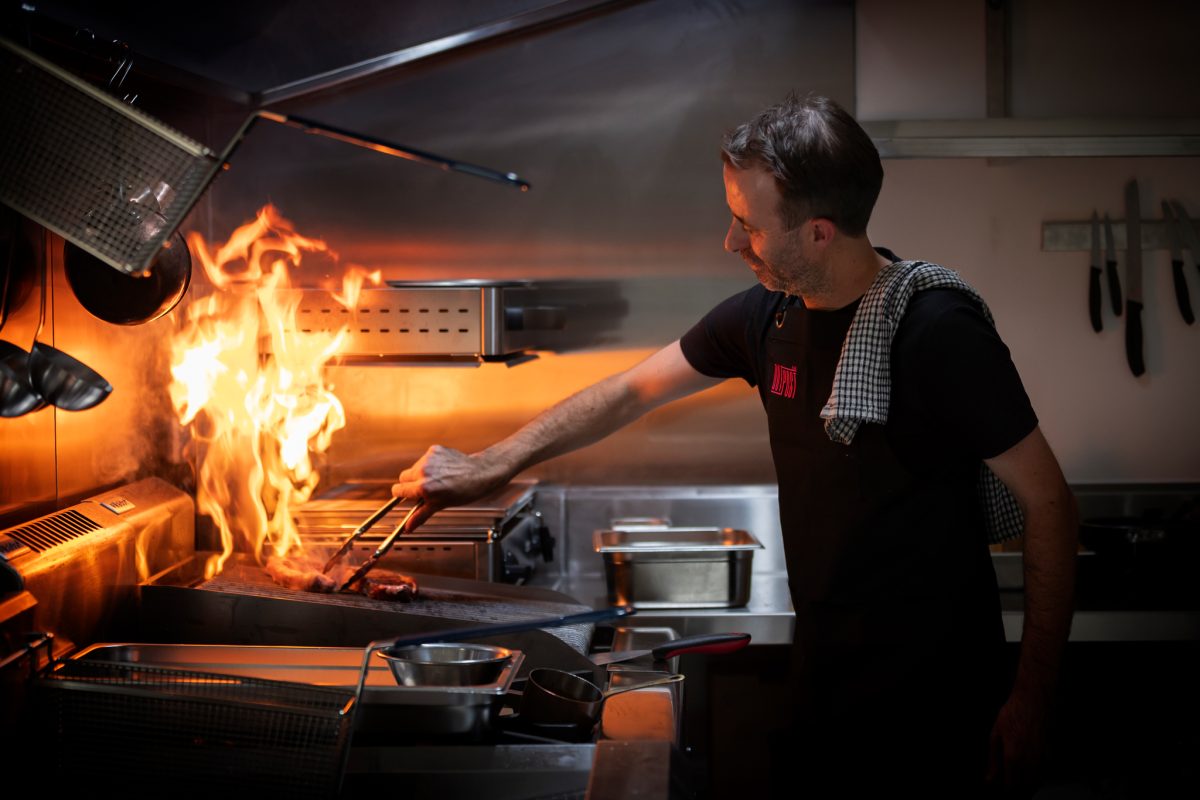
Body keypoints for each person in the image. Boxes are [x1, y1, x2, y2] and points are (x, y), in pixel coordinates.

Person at [390, 94, 1077, 796]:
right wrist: (489, 465)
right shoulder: (768, 317)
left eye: (748, 225)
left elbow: (1051, 505)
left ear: (818, 233)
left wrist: (1034, 699)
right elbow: (628, 392)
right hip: (821, 682)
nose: (730, 241)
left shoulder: (938, 332)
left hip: (942, 701)